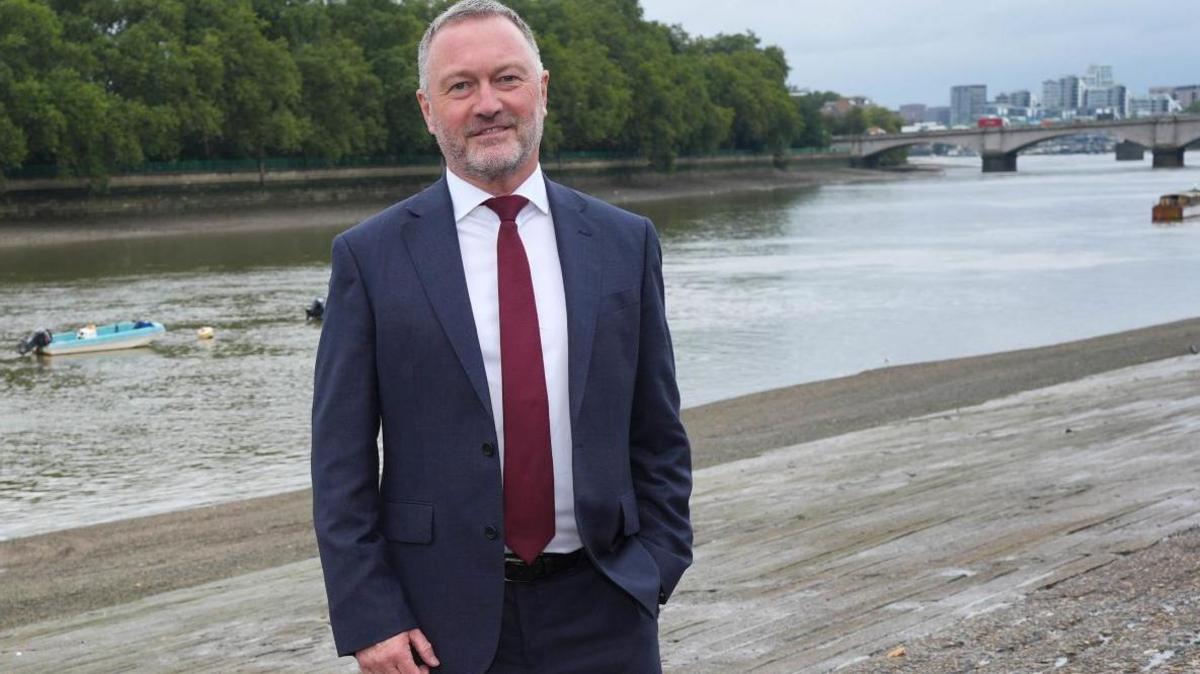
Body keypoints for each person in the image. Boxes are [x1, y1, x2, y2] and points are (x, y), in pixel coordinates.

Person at [311, 1, 692, 672]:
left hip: (605, 608)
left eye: (506, 79)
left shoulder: (623, 243)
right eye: (461, 86)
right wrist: (372, 616)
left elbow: (657, 430)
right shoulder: (370, 258)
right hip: (436, 629)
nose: (487, 103)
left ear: (541, 90)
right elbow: (339, 462)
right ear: (428, 109)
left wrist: (655, 567)